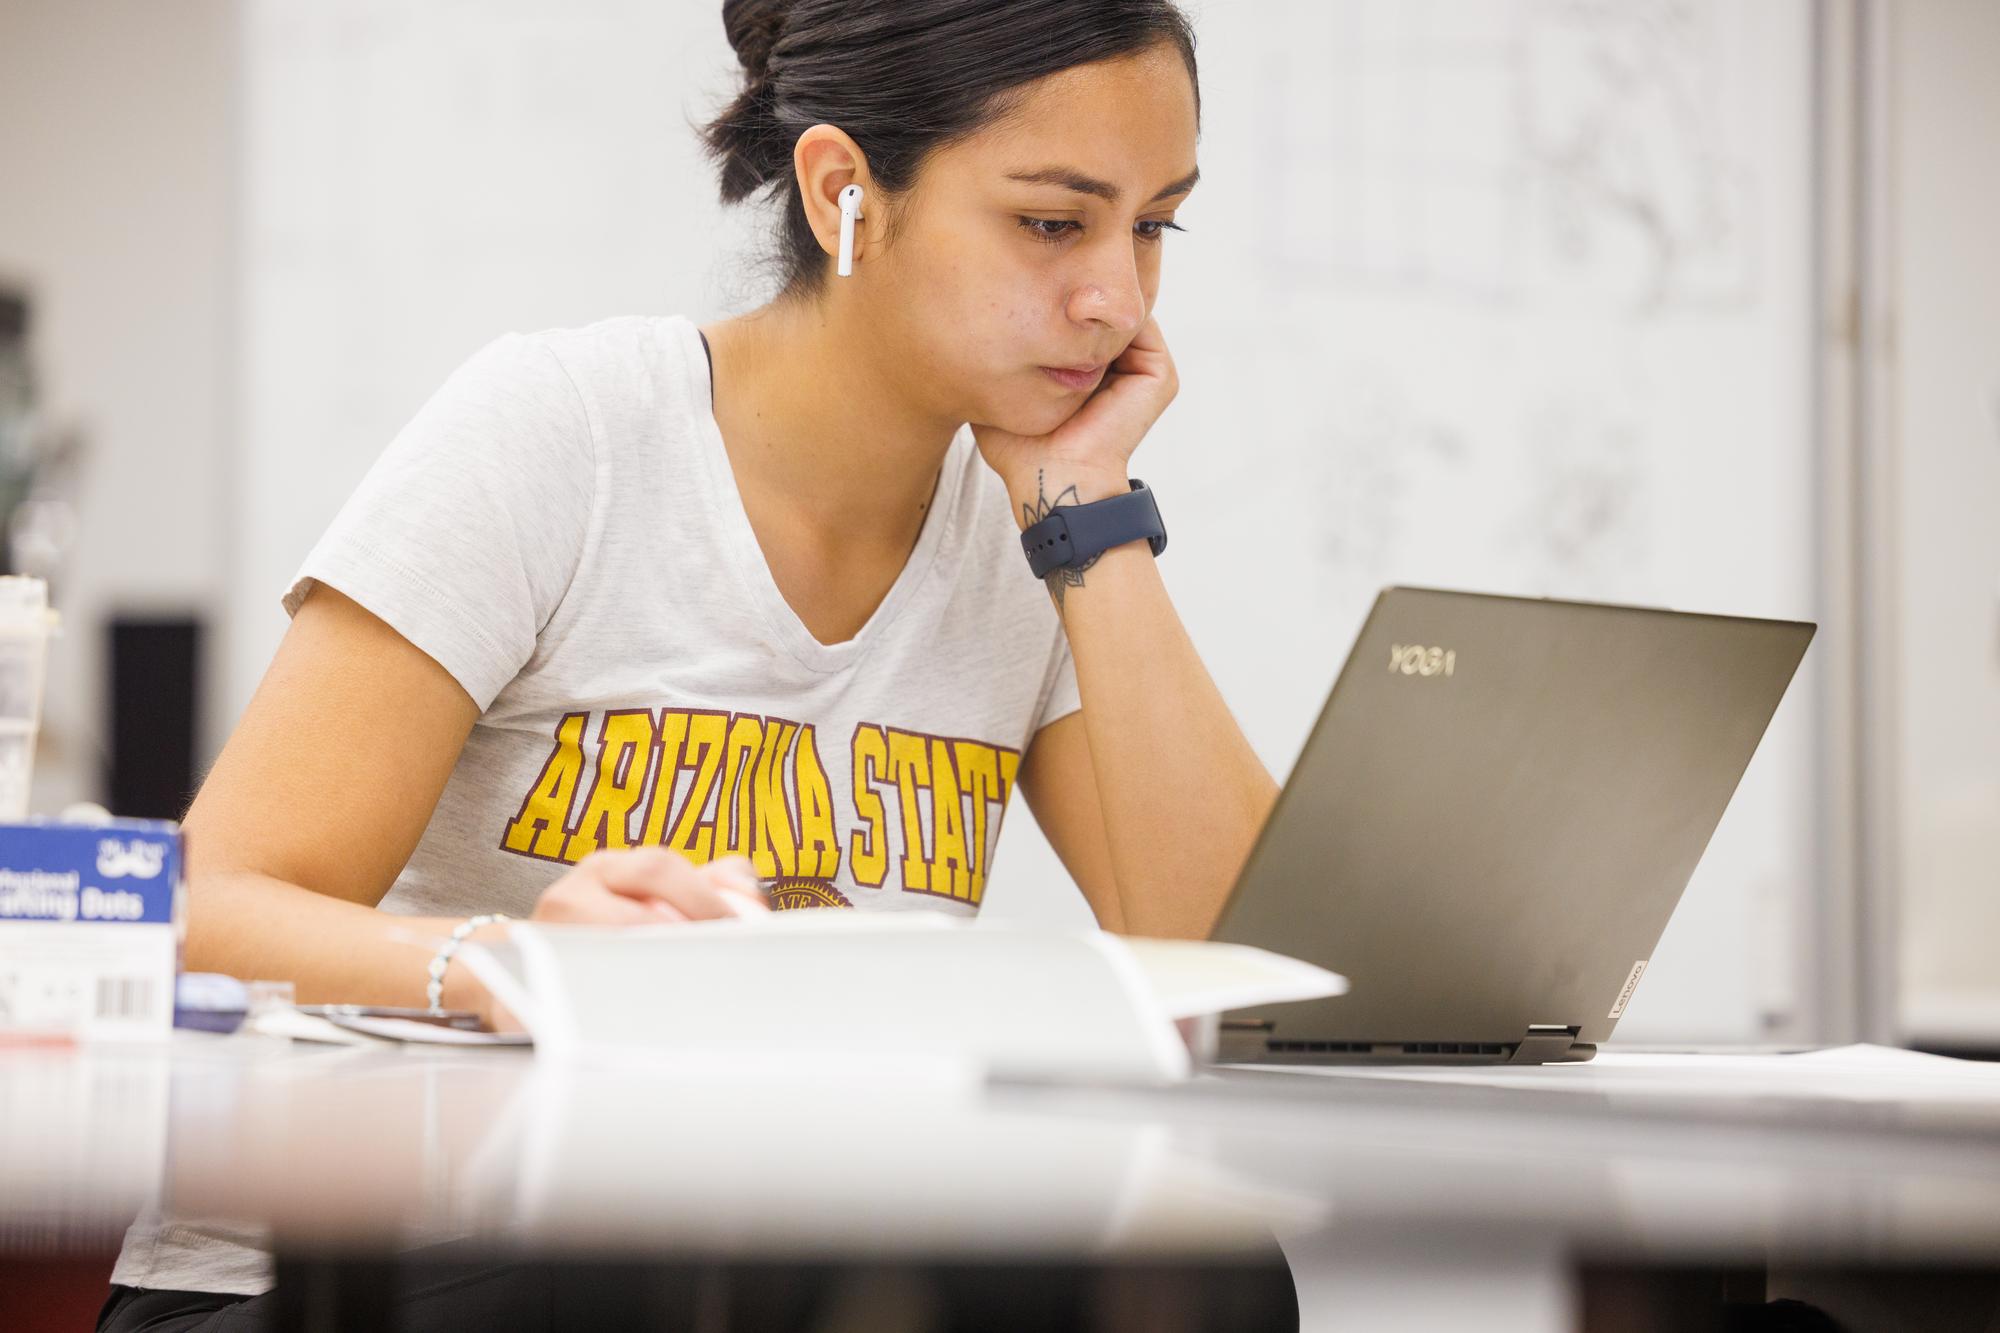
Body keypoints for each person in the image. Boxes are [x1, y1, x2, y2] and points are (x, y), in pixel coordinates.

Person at [100, 1, 1278, 1326]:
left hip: (742, 1257)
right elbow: (201, 906)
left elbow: (1253, 970)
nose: (1117, 299)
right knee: (720, 1250)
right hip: (345, 1274)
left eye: (1153, 225)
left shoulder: (1031, 534)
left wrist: (1093, 521)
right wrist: (520, 974)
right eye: (1055, 223)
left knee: (1214, 1273)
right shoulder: (568, 435)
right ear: (845, 192)